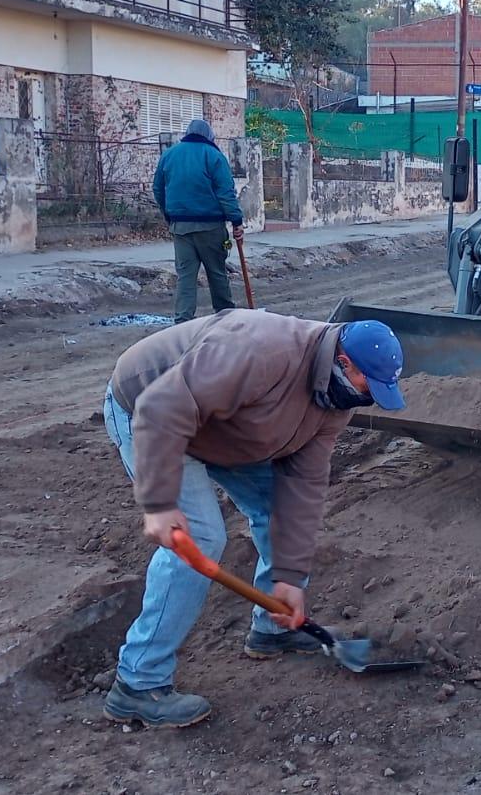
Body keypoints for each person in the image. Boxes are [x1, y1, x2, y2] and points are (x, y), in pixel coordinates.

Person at [99, 311, 406, 727]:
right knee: (200, 537)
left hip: (225, 429)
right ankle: (138, 684)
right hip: (152, 412)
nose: (369, 399)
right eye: (369, 387)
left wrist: (290, 578)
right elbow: (162, 408)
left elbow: (303, 487)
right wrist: (158, 501)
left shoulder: (338, 400)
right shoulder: (260, 350)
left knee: (277, 508)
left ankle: (273, 627)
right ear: (344, 362)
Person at [152, 119, 243, 324]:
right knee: (217, 273)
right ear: (209, 136)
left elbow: (158, 189)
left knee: (185, 277)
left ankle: (182, 323)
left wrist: (169, 214)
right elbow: (225, 193)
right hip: (210, 227)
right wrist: (236, 220)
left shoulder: (169, 155)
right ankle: (226, 318)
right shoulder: (214, 156)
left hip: (180, 227)